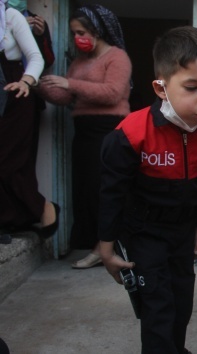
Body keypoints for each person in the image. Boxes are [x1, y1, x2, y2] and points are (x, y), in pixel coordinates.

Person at [97, 26, 197, 354]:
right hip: (144, 233)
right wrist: (107, 247)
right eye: (192, 87)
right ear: (160, 87)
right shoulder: (130, 134)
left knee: (182, 302)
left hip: (183, 231)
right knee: (157, 306)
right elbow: (111, 193)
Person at [38, 5, 131, 268]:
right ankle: (96, 246)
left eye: (81, 32)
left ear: (96, 30)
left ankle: (101, 249)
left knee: (104, 191)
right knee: (86, 192)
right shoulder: (79, 62)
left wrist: (70, 83)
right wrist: (36, 84)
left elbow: (112, 92)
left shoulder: (117, 57)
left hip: (109, 131)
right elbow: (65, 96)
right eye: (74, 33)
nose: (77, 37)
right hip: (85, 133)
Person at [0, 0, 52, 241]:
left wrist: (26, 81)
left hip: (14, 92)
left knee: (10, 161)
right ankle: (13, 220)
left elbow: (36, 57)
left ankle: (40, 209)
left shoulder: (10, 16)